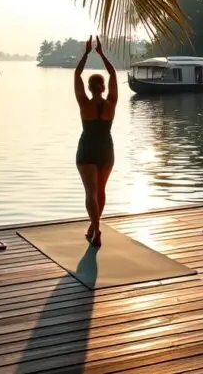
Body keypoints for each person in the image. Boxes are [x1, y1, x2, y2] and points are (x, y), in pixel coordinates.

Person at [73, 35, 118, 247]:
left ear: (90, 88)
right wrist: (101, 54)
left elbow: (76, 74)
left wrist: (85, 54)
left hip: (88, 149)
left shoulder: (84, 103)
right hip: (106, 150)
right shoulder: (111, 103)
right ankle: (93, 228)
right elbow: (113, 74)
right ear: (103, 87)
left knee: (91, 192)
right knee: (100, 191)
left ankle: (97, 229)